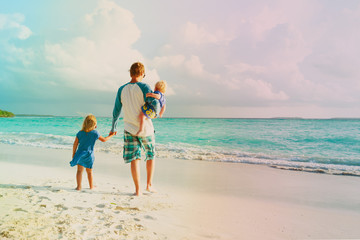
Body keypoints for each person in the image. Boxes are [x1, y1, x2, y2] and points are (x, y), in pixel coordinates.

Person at [110, 62, 156, 196]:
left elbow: (116, 111)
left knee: (134, 158)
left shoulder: (121, 89)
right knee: (150, 155)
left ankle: (137, 190)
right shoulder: (145, 86)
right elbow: (153, 105)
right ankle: (149, 185)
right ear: (142, 73)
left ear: (130, 73)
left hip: (129, 128)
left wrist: (113, 127)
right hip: (146, 128)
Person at [70, 114, 113, 190]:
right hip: (89, 155)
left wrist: (74, 154)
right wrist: (111, 135)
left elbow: (75, 144)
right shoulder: (95, 133)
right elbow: (104, 140)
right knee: (89, 172)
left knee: (79, 171)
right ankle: (91, 186)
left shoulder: (80, 133)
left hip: (80, 154)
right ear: (94, 125)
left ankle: (79, 186)